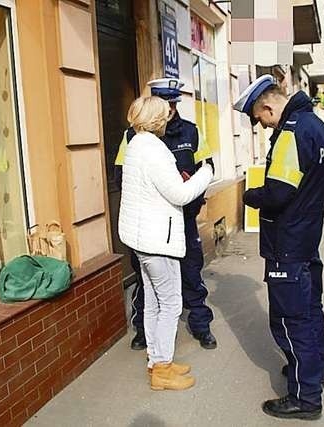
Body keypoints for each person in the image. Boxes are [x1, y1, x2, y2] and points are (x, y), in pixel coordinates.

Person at [233, 75, 324, 420]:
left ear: (267, 106)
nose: (262, 126)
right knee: (311, 309)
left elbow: (277, 193)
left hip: (287, 245)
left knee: (290, 320)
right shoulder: (317, 126)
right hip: (309, 239)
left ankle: (305, 397)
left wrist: (250, 196)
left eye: (259, 118)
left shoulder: (290, 133)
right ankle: (315, 369)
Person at [118, 96, 213, 391]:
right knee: (170, 304)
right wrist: (205, 173)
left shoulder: (134, 144)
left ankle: (157, 360)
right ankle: (162, 369)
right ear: (158, 119)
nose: (169, 116)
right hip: (158, 239)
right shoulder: (155, 150)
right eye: (165, 113)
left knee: (153, 302)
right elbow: (180, 194)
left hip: (141, 239)